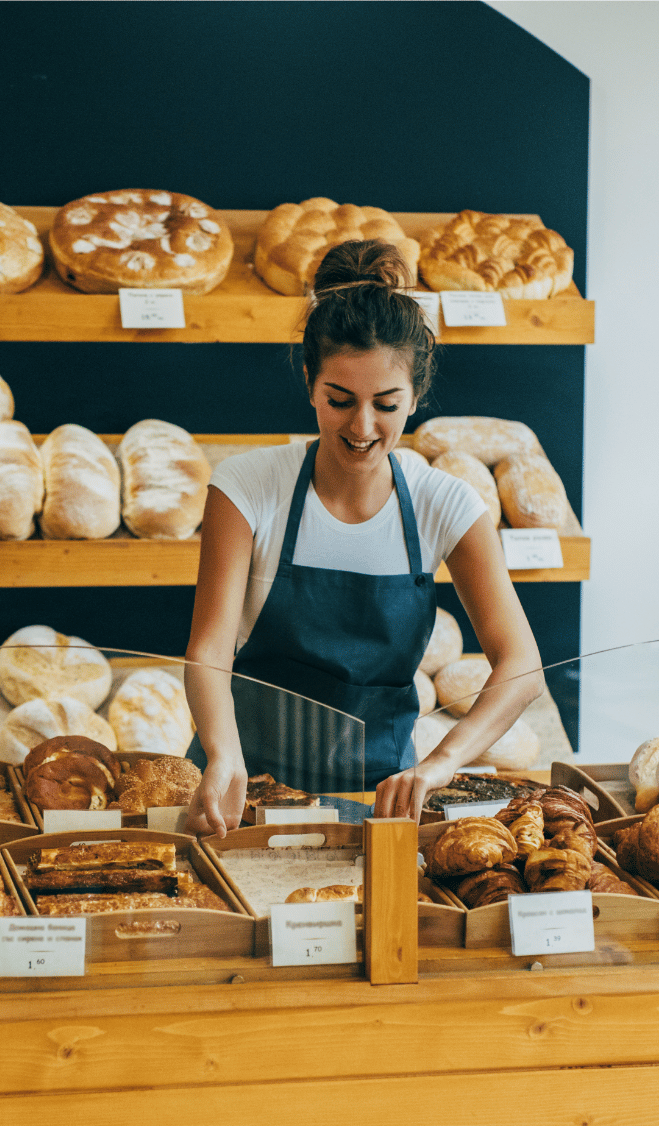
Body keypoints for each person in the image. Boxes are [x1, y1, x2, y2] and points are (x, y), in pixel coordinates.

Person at [183, 240, 543, 832]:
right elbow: (209, 651)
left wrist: (442, 763)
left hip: (381, 799)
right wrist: (222, 754)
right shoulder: (247, 487)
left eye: (387, 404)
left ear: (417, 396)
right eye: (340, 400)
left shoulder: (443, 502)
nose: (362, 427)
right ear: (308, 380)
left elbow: (522, 665)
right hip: (242, 790)